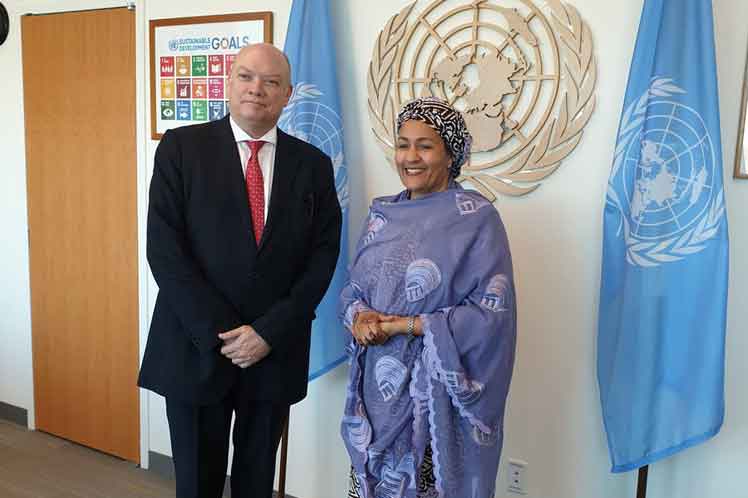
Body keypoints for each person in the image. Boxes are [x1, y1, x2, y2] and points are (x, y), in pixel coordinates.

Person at [138, 43, 342, 498]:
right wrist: (225, 333)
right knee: (195, 484)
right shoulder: (181, 148)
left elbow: (322, 257)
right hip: (196, 348)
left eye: (271, 82)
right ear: (228, 83)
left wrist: (266, 333)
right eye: (247, 77)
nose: (257, 89)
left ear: (288, 94)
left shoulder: (313, 166)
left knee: (256, 483)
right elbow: (165, 251)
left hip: (274, 352)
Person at [340, 97, 516, 498]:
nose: (410, 157)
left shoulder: (475, 218)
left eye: (425, 145)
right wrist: (360, 315)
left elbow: (492, 315)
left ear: (451, 155)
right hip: (376, 395)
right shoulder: (382, 214)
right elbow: (353, 288)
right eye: (403, 144)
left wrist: (407, 326)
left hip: (434, 397)